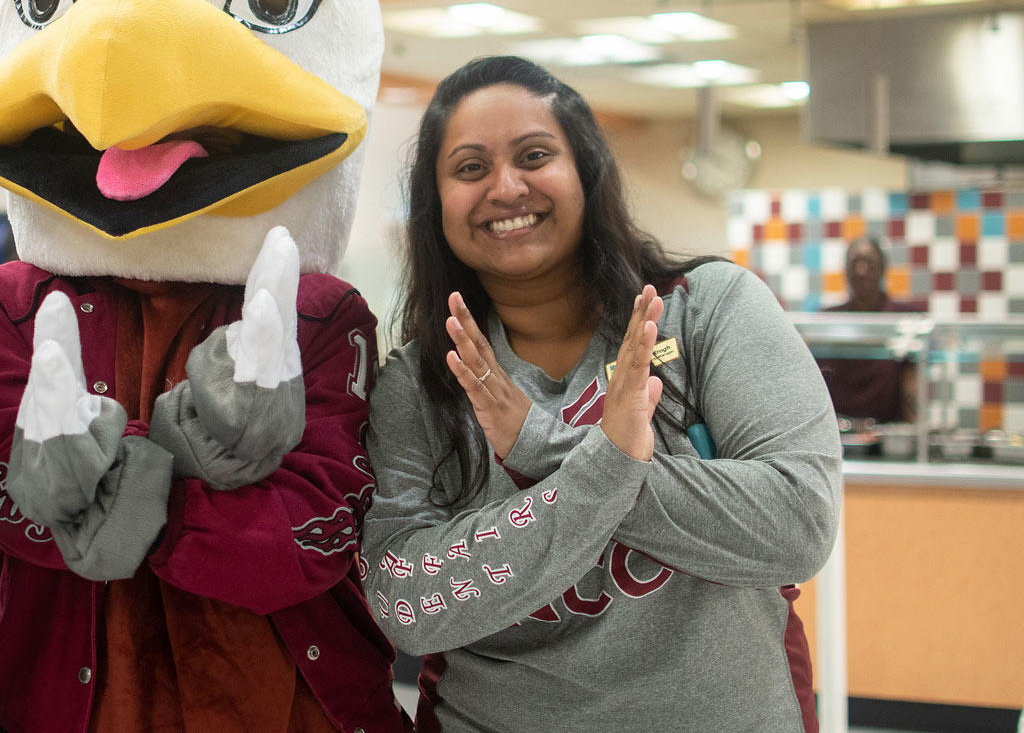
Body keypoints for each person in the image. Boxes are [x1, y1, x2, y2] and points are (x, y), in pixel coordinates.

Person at [360, 56, 842, 733]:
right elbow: (403, 601)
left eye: (534, 155)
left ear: (587, 172)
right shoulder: (421, 382)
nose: (505, 187)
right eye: (469, 168)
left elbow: (799, 524)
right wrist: (606, 466)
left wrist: (543, 446)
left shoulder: (706, 311)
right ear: (436, 205)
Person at [816, 235, 917, 423]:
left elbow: (912, 389)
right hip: (839, 431)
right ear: (845, 270)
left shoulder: (904, 319)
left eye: (869, 263)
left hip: (889, 431)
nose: (861, 271)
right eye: (855, 263)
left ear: (883, 269)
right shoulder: (828, 320)